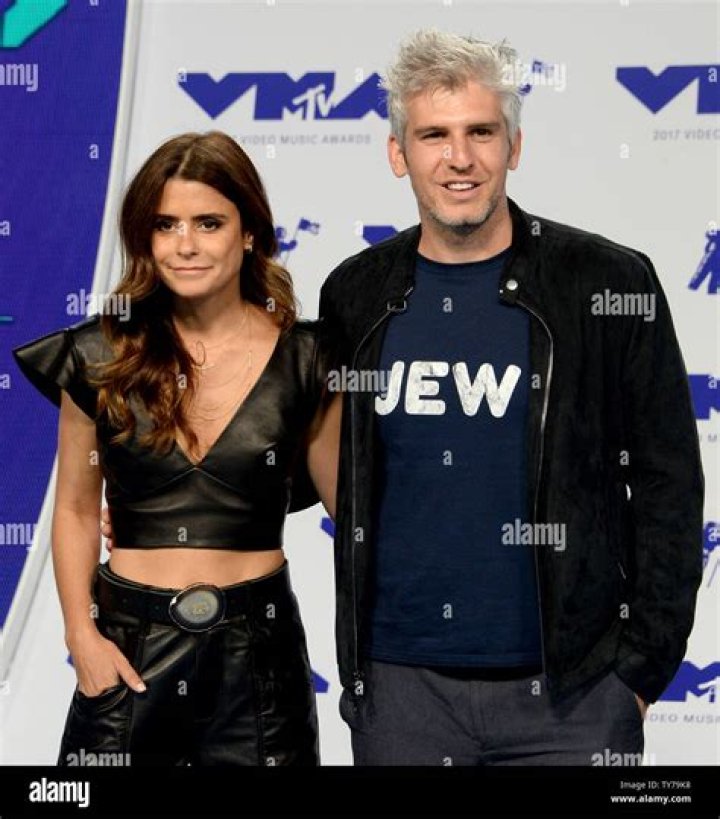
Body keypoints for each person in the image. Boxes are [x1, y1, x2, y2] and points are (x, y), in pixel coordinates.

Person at [319, 30, 704, 765]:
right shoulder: (356, 292)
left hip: (574, 698)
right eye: (433, 135)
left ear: (514, 146)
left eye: (481, 132)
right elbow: (318, 457)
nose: (459, 158)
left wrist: (638, 673)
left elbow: (669, 483)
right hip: (401, 693)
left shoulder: (606, 282)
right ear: (398, 153)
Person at [13, 131, 340, 766]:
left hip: (259, 656)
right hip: (128, 651)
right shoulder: (98, 355)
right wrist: (81, 635)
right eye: (165, 225)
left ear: (250, 232)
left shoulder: (311, 358)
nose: (185, 245)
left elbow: (348, 507)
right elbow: (76, 509)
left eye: (209, 223)